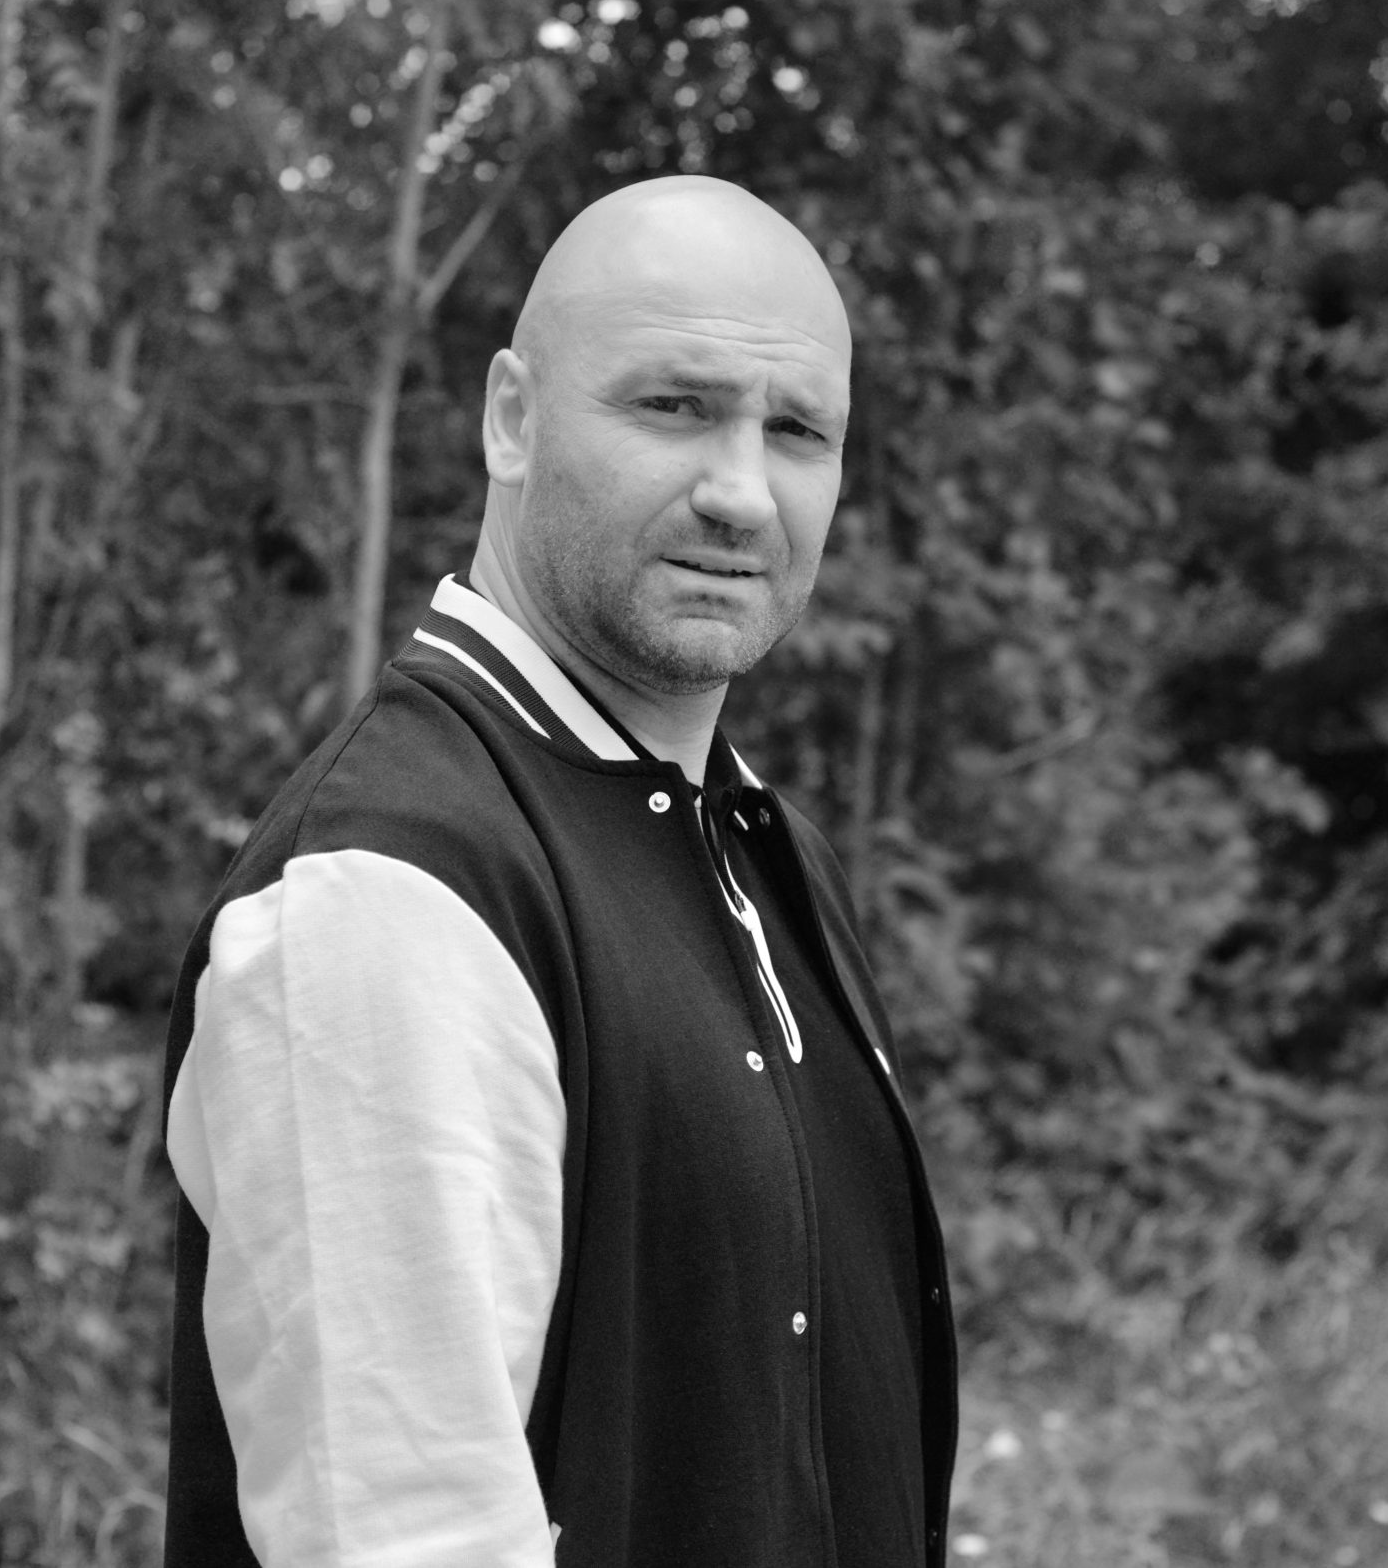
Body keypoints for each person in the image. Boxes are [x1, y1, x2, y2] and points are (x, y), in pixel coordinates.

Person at [159, 175, 956, 1568]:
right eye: (675, 406)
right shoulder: (393, 891)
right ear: (512, 419)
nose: (739, 492)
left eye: (797, 431)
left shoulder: (758, 848)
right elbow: (405, 1540)